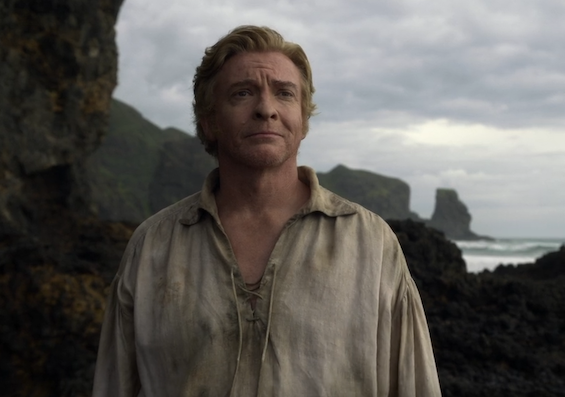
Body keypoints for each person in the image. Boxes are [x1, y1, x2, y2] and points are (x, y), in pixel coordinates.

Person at [93, 25, 441, 396]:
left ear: (303, 120)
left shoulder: (371, 244)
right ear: (210, 120)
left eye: (284, 93)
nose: (265, 109)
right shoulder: (152, 247)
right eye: (242, 93)